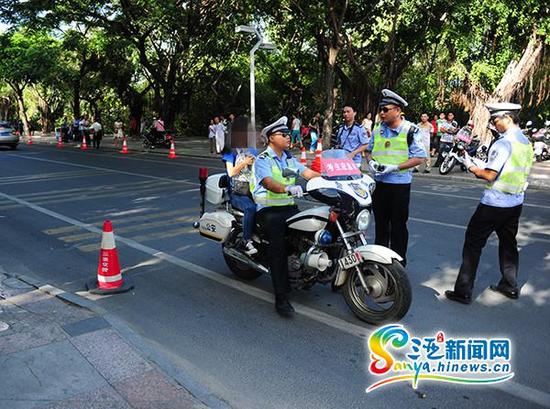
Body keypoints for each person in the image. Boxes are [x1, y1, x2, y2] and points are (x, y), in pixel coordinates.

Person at [445, 103, 533, 304]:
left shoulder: (503, 143)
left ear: (508, 118)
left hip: (494, 203)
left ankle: (463, 291)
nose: (493, 125)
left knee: (473, 244)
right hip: (515, 202)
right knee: (509, 243)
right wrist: (476, 162)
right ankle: (509, 286)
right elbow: (507, 168)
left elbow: (489, 175)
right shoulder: (525, 142)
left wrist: (470, 166)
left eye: (495, 120)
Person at [252, 116, 319, 317]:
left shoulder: (289, 158)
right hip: (268, 211)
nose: (288, 137)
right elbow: (268, 182)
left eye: (289, 134)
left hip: (288, 209)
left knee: (313, 231)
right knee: (278, 250)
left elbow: (307, 173)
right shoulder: (263, 159)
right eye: (284, 134)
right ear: (272, 138)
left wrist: (332, 179)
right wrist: (287, 188)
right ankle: (281, 297)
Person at [366, 89, 426, 266]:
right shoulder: (377, 129)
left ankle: (397, 263)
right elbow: (369, 151)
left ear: (398, 110)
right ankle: (379, 262)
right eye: (380, 110)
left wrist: (396, 167)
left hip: (399, 185)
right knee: (381, 225)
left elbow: (420, 157)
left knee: (398, 226)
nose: (382, 113)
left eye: (386, 109)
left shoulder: (410, 130)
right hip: (379, 184)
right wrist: (370, 163)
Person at [221, 143, 258, 256]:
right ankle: (246, 240)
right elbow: (231, 172)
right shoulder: (230, 151)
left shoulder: (252, 149)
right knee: (250, 208)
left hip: (252, 190)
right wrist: (244, 163)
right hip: (237, 192)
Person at [335, 104, 369, 168]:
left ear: (354, 113)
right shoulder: (341, 128)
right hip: (341, 160)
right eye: (344, 112)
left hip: (354, 162)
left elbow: (366, 144)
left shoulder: (359, 128)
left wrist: (353, 153)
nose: (345, 114)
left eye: (348, 112)